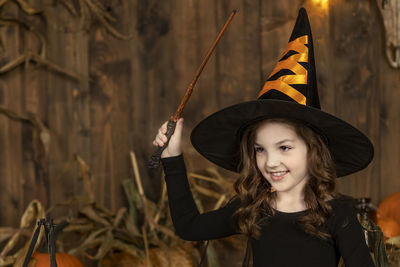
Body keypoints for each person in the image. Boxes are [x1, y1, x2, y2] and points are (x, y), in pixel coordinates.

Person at [152, 8, 376, 267]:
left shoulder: (337, 214)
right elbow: (189, 227)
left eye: (284, 147)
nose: (270, 162)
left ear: (313, 150)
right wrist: (172, 157)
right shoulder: (253, 210)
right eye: (260, 150)